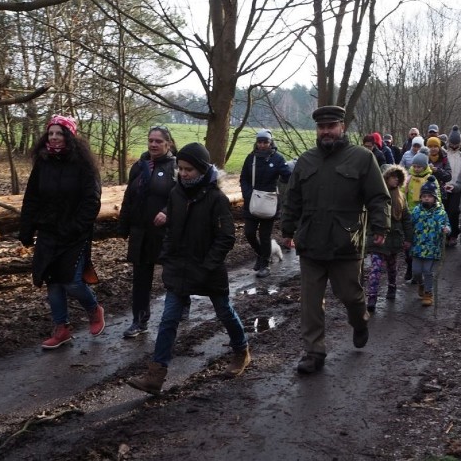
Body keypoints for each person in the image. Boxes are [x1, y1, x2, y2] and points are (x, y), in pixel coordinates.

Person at [128, 143, 250, 395]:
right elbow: (170, 230)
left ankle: (242, 351)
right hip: (179, 268)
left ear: (203, 170)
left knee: (224, 312)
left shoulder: (217, 199)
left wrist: (207, 265)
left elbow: (226, 238)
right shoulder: (176, 194)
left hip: (208, 270)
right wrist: (167, 256)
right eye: (181, 169)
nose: (183, 174)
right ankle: (155, 376)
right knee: (168, 320)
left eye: (189, 169)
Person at [281, 105, 391, 375]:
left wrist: (381, 224)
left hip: (346, 241)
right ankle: (313, 351)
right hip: (311, 242)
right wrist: (287, 228)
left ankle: (360, 320)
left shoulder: (362, 158)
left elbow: (378, 196)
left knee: (350, 296)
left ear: (342, 127)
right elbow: (292, 198)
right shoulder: (306, 161)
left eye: (331, 126)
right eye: (322, 127)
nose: (326, 131)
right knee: (310, 301)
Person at [19, 115, 105, 349]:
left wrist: (76, 226)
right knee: (52, 281)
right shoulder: (43, 162)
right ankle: (62, 328)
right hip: (48, 231)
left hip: (74, 233)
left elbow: (92, 200)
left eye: (59, 133)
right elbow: (32, 197)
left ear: (70, 135)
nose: (55, 137)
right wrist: (26, 228)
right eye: (51, 133)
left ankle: (94, 309)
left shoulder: (83, 165)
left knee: (72, 282)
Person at [118, 125, 189, 339]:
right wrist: (123, 225)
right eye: (151, 140)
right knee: (140, 279)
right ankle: (139, 321)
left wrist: (168, 212)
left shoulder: (177, 167)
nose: (153, 144)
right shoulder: (139, 167)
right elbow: (129, 197)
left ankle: (181, 305)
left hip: (166, 232)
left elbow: (185, 197)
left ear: (168, 144)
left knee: (171, 275)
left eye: (158, 141)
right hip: (141, 232)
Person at [240, 129, 292, 278]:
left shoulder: (277, 159)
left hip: (269, 202)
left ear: (270, 143)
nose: (262, 145)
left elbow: (287, 176)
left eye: (265, 142)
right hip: (252, 201)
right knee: (249, 233)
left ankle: (265, 264)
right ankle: (261, 254)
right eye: (260, 142)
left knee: (264, 235)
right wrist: (248, 194)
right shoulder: (251, 158)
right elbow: (244, 178)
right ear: (256, 143)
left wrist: (284, 184)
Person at [365, 165, 412, 313]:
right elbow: (368, 217)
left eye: (398, 177)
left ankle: (392, 286)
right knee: (376, 268)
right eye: (393, 176)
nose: (396, 179)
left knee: (392, 267)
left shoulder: (401, 197)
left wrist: (408, 238)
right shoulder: (376, 195)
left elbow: (406, 219)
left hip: (394, 238)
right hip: (378, 237)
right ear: (385, 178)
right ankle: (372, 297)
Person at [409, 176, 450, 306]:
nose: (426, 198)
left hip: (432, 248)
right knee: (416, 271)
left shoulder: (440, 212)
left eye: (429, 196)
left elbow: (447, 225)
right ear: (420, 197)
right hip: (417, 247)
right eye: (424, 196)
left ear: (435, 198)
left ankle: (428, 292)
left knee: (428, 271)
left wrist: (446, 229)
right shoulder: (416, 211)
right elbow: (410, 225)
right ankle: (421, 284)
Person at [403, 147, 439, 282]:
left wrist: (437, 211)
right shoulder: (409, 178)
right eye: (415, 166)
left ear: (424, 166)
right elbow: (403, 193)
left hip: (426, 215)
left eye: (419, 167)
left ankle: (423, 271)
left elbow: (437, 196)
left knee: (421, 243)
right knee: (409, 243)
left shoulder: (430, 179)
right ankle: (410, 268)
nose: (416, 169)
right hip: (411, 214)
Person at [444, 127, 461, 247]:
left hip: (457, 186)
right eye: (452, 143)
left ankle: (453, 235)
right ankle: (446, 235)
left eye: (456, 144)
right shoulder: (444, 152)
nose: (453, 146)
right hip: (445, 186)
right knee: (445, 211)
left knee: (454, 211)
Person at [426, 136, 452, 200]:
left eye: (435, 146)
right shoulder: (423, 158)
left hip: (440, 193)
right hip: (426, 192)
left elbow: (449, 176)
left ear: (439, 147)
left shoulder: (444, 159)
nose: (433, 149)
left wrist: (437, 171)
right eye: (430, 147)